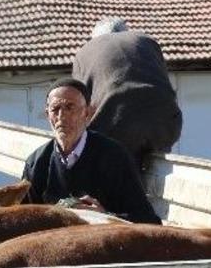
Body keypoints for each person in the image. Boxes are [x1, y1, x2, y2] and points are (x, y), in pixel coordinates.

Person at [21, 78, 161, 224]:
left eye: (70, 107)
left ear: (87, 113)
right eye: (55, 109)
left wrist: (105, 216)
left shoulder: (114, 157)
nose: (62, 117)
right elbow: (23, 222)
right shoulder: (36, 163)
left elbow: (148, 220)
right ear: (47, 114)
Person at [73, 18, 183, 167]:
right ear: (126, 31)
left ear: (95, 38)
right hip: (166, 126)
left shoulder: (84, 52)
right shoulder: (147, 41)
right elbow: (165, 85)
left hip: (114, 128)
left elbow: (78, 102)